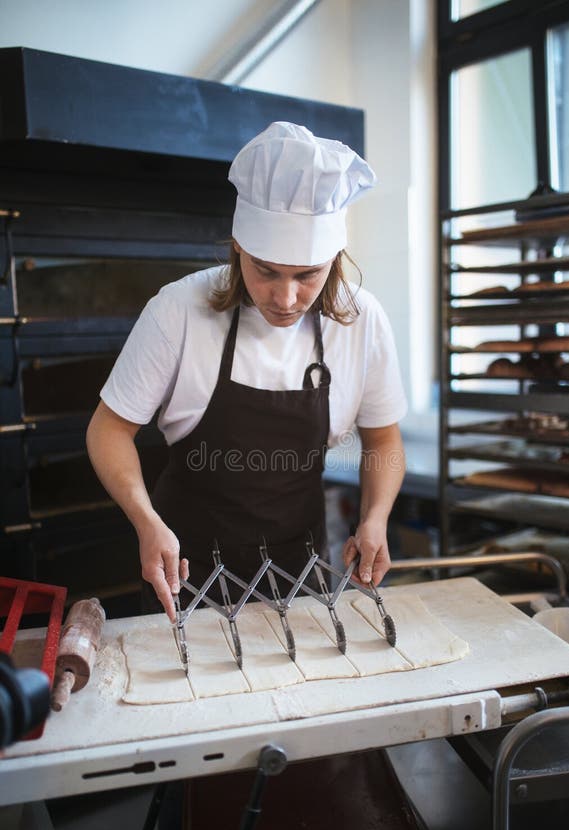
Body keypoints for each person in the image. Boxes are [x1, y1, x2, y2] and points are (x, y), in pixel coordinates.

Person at [87, 120, 407, 622]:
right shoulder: (178, 311)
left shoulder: (363, 321)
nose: (286, 298)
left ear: (335, 258)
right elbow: (109, 429)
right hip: (188, 577)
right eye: (266, 270)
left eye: (307, 276)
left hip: (302, 578)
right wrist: (146, 521)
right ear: (239, 246)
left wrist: (375, 518)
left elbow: (384, 441)